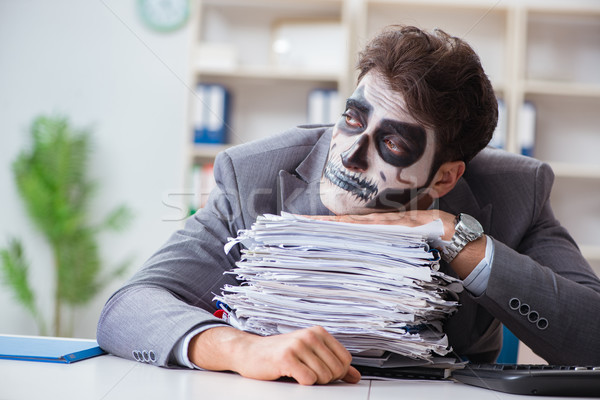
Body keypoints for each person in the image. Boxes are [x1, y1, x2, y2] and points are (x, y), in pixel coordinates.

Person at [97, 25, 600, 385]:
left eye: (394, 144)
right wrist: (240, 348)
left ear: (445, 177)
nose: (351, 152)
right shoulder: (253, 174)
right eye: (354, 119)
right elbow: (128, 308)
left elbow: (592, 335)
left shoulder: (516, 191)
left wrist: (456, 238)